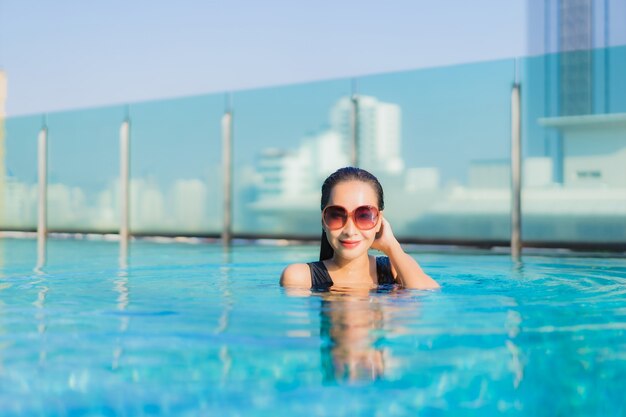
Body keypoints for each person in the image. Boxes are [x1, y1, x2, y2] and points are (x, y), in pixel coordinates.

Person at [280, 167, 439, 291]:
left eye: (364, 215)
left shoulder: (395, 267)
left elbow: (426, 295)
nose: (350, 230)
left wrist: (391, 246)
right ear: (323, 220)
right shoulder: (301, 278)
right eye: (336, 215)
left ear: (379, 220)